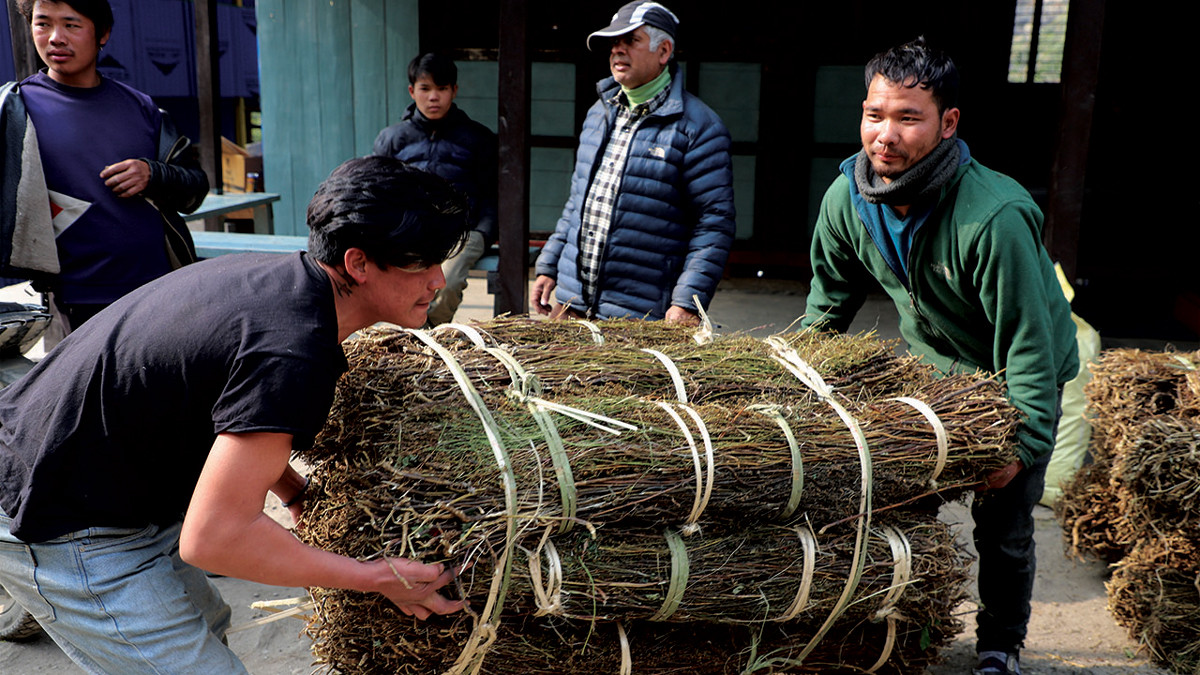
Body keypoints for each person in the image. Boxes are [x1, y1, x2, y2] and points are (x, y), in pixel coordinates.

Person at [0, 156, 470, 673]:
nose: (435, 280)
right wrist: (373, 575)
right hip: (55, 512)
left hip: (102, 475)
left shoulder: (284, 282)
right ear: (357, 263)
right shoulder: (291, 351)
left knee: (207, 625)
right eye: (418, 262)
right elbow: (214, 540)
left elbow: (226, 410)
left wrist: (290, 489)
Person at [799, 37, 1078, 675]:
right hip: (933, 368)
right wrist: (798, 390)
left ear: (948, 123)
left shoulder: (995, 216)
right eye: (875, 114)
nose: (886, 135)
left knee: (1002, 527)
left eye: (907, 117)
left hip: (1015, 374)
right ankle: (891, 631)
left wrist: (1021, 443)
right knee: (889, 499)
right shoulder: (847, 199)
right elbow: (825, 309)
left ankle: (999, 646)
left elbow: (1029, 345)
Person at [1, 0, 208, 346]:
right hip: (74, 301)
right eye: (42, 24)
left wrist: (153, 174)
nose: (55, 38)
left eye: (71, 25)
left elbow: (195, 190)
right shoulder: (16, 112)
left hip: (161, 289)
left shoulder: (142, 108)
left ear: (103, 34)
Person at [531, 0, 735, 326]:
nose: (618, 51)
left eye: (631, 41)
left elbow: (713, 224)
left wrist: (687, 302)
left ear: (664, 51)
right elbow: (578, 201)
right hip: (572, 305)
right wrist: (550, 263)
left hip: (640, 317)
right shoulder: (599, 112)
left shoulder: (699, 128)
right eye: (615, 42)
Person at [373, 52, 497, 327]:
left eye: (441, 89)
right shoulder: (392, 139)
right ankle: (416, 336)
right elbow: (379, 193)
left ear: (454, 90)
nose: (433, 97)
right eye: (425, 88)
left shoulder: (478, 138)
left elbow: (491, 194)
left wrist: (483, 234)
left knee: (447, 282)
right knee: (391, 280)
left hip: (463, 231)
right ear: (412, 90)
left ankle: (427, 336)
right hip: (409, 230)